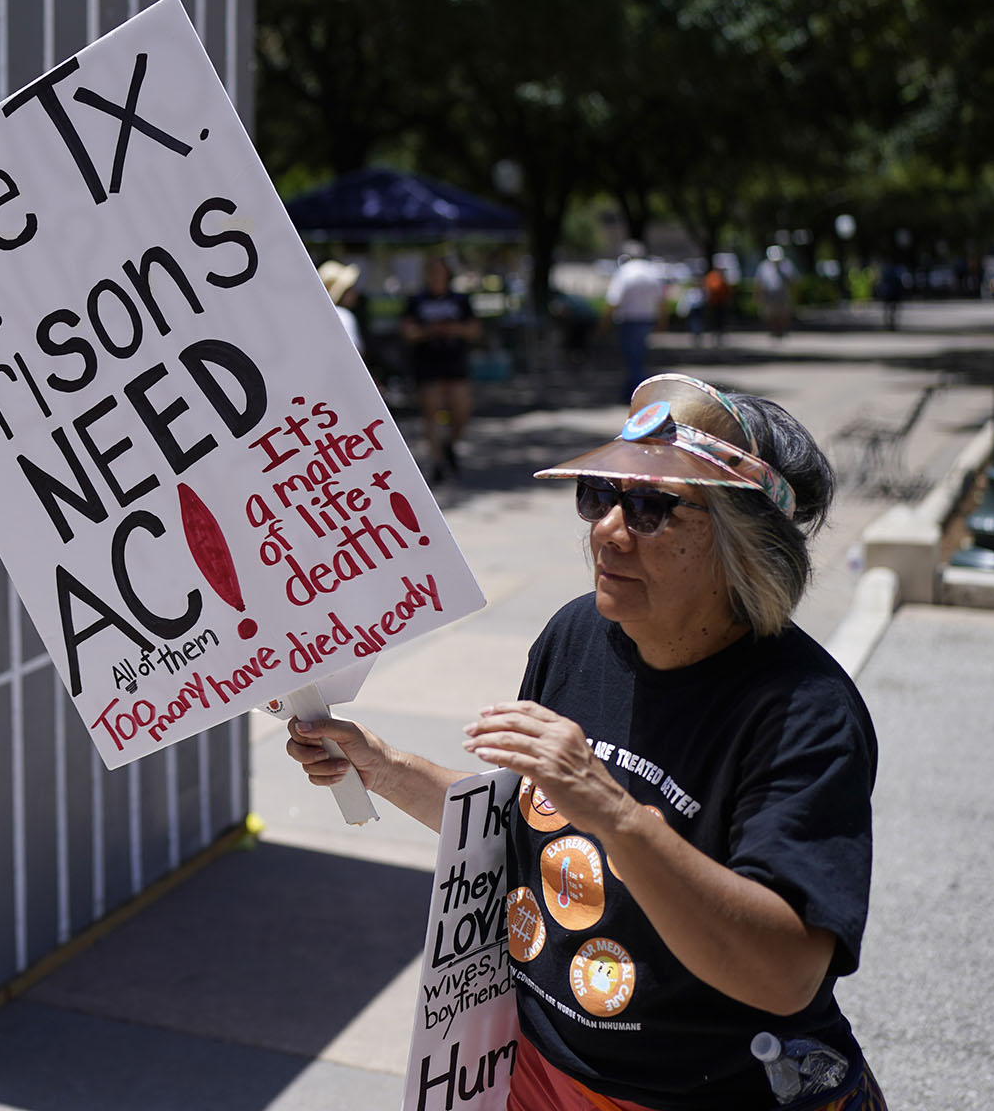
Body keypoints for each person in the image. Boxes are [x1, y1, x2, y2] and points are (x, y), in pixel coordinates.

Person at [286, 373, 884, 1111]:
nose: (605, 528)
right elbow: (525, 828)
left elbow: (786, 973)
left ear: (742, 546)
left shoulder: (805, 711)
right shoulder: (578, 633)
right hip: (537, 1072)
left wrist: (617, 814)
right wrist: (384, 768)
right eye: (598, 495)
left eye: (650, 507)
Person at [403, 257, 479, 481]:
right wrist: (430, 330)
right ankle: (436, 461)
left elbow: (474, 330)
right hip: (428, 364)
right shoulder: (417, 301)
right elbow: (408, 332)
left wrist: (453, 329)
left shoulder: (460, 300)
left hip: (455, 364)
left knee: (461, 411)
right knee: (432, 415)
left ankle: (449, 445)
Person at [605, 244, 665, 400]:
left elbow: (614, 300)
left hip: (628, 319)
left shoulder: (624, 271)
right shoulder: (652, 271)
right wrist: (662, 321)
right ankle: (632, 388)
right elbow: (661, 300)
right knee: (639, 355)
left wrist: (604, 322)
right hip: (647, 319)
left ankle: (636, 392)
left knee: (631, 357)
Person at [318, 258, 365, 355]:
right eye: (349, 288)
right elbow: (354, 355)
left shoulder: (317, 316)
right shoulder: (344, 316)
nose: (354, 292)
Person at [755, 245, 793, 338]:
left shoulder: (787, 265)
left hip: (783, 294)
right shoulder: (763, 266)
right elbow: (759, 282)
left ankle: (782, 331)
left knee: (783, 313)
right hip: (769, 295)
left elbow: (793, 280)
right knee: (771, 314)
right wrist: (758, 295)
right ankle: (774, 331)